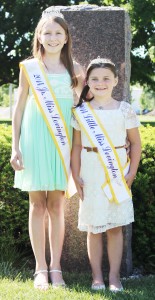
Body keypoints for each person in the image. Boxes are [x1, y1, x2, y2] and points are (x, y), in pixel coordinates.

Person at [10, 7, 84, 290]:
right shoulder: (29, 68)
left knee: (57, 205)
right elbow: (18, 108)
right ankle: (40, 268)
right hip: (34, 138)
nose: (52, 37)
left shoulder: (75, 70)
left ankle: (56, 267)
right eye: (47, 33)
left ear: (66, 38)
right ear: (39, 37)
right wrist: (14, 147)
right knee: (36, 204)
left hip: (60, 142)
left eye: (58, 33)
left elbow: (83, 111)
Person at [71, 58, 141, 292]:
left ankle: (114, 278)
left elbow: (135, 144)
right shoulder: (82, 112)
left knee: (114, 227)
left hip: (117, 173)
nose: (100, 83)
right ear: (87, 82)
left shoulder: (124, 109)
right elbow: (77, 147)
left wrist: (131, 173)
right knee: (94, 227)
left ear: (116, 81)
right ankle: (97, 277)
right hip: (90, 172)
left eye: (106, 79)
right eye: (95, 79)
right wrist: (75, 174)